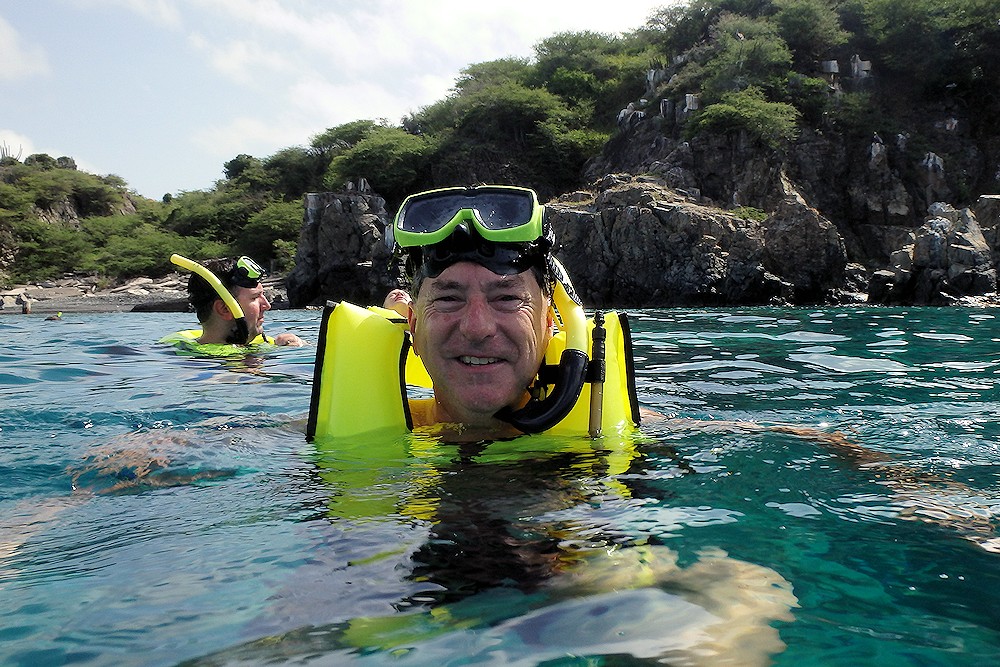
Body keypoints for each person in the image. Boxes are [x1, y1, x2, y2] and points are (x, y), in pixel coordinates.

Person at [172, 255, 305, 348]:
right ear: (225, 309)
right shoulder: (190, 358)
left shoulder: (269, 343)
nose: (267, 305)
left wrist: (300, 345)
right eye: (255, 298)